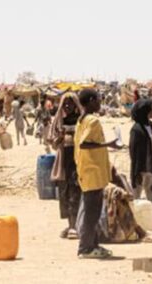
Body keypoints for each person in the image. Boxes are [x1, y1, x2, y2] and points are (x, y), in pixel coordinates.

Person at [74, 88, 122, 259]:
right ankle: (85, 248)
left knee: (93, 211)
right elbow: (84, 144)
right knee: (91, 213)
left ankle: (93, 245)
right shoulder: (92, 121)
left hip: (87, 171)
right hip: (91, 172)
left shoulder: (83, 120)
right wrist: (108, 143)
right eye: (99, 99)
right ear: (92, 100)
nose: (101, 102)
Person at [46, 93, 84, 239]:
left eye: (71, 104)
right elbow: (53, 143)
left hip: (78, 160)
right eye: (65, 104)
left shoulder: (81, 121)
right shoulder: (59, 121)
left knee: (76, 191)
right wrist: (60, 137)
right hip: (64, 161)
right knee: (65, 192)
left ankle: (76, 225)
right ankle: (70, 225)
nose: (68, 107)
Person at [128, 98, 152, 205]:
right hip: (140, 171)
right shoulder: (136, 129)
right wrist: (136, 173)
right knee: (135, 201)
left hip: (151, 168)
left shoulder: (151, 126)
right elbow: (133, 153)